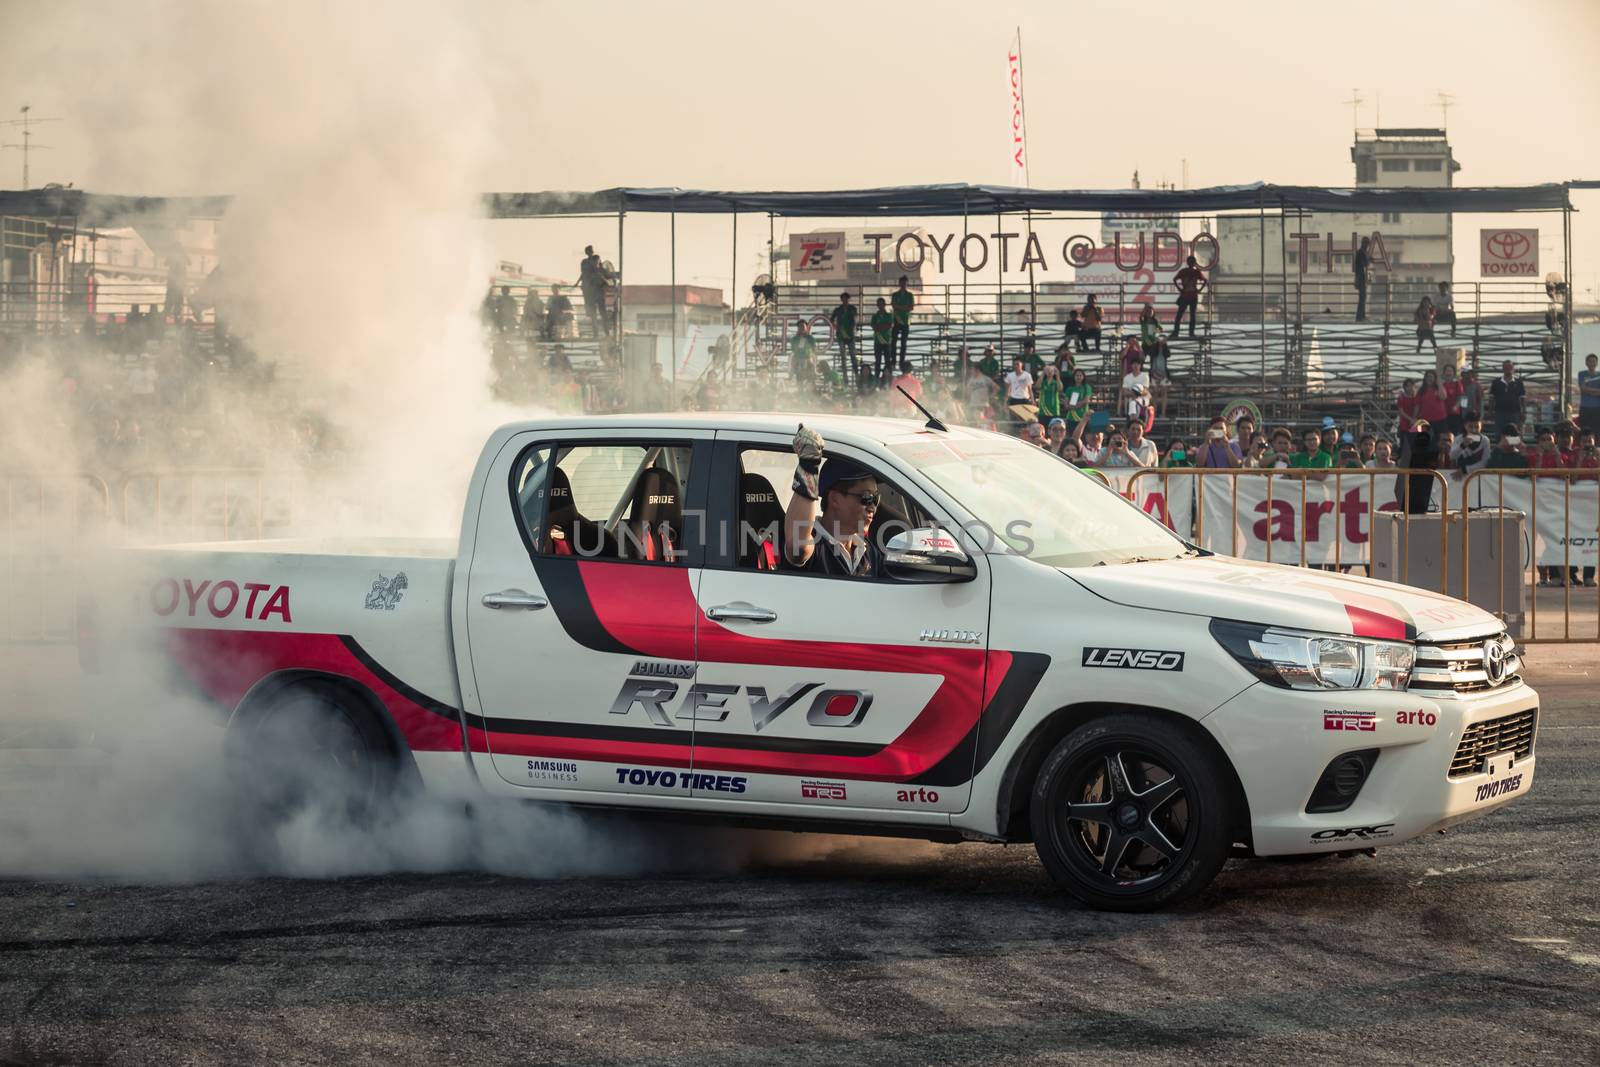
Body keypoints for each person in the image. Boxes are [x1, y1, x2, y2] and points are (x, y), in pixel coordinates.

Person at [783, 425, 881, 578]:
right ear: (835, 499)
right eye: (867, 498)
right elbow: (798, 545)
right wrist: (808, 465)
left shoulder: (868, 550)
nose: (872, 507)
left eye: (875, 499)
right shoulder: (815, 544)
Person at [829, 291, 859, 389]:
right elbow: (831, 319)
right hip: (841, 335)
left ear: (848, 299)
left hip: (850, 335)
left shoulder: (852, 309)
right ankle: (846, 378)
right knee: (843, 357)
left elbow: (854, 320)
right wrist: (835, 327)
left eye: (847, 299)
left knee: (853, 356)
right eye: (843, 299)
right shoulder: (838, 310)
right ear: (841, 300)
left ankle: (857, 376)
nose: (845, 300)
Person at [1172, 255, 1206, 338]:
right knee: (1192, 315)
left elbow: (1175, 279)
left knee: (1179, 315)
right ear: (1194, 263)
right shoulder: (1196, 272)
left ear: (1187, 262)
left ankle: (1176, 333)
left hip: (1184, 295)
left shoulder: (1183, 271)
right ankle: (1191, 333)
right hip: (1193, 296)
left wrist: (1180, 289)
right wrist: (1199, 290)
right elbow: (1205, 281)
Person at [579, 246, 609, 335]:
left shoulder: (596, 259)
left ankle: (605, 332)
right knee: (595, 314)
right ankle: (598, 332)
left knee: (601, 313)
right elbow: (584, 274)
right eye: (589, 251)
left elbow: (601, 269)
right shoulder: (585, 262)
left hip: (597, 290)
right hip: (592, 291)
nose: (590, 253)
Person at [1490, 361, 1526, 429]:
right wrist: (1490, 411)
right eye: (1506, 367)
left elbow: (1522, 399)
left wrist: (1523, 412)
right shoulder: (1496, 382)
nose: (1508, 369)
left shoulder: (1519, 383)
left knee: (1514, 434)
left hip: (1514, 413)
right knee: (1499, 434)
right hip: (1499, 413)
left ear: (1513, 369)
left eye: (1510, 367)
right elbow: (1491, 398)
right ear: (1503, 369)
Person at [1120, 352, 1152, 428]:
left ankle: (1136, 424)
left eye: (1137, 364)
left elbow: (1145, 390)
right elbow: (1124, 391)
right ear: (1131, 366)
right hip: (1131, 400)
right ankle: (1133, 424)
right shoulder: (1127, 377)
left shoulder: (1145, 376)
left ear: (1140, 366)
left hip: (1142, 401)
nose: (1136, 366)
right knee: (1132, 403)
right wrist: (1136, 393)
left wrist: (1134, 393)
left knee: (1134, 403)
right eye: (1134, 364)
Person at [870, 297, 894, 386]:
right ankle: (876, 379)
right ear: (877, 305)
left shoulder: (889, 315)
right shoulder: (874, 316)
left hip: (887, 341)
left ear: (884, 305)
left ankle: (888, 379)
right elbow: (874, 327)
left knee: (888, 362)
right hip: (877, 342)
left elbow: (889, 325)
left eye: (881, 304)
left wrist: (879, 327)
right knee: (878, 361)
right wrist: (882, 327)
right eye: (878, 304)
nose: (880, 306)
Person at [890, 276, 915, 361]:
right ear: (899, 283)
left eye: (905, 283)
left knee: (903, 343)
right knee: (893, 342)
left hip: (905, 321)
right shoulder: (895, 295)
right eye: (902, 283)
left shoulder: (910, 295)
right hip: (896, 320)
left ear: (907, 284)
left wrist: (899, 307)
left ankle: (902, 360)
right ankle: (893, 360)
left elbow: (911, 307)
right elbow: (894, 306)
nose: (903, 284)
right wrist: (905, 307)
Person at [1063, 368, 1093, 438]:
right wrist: (1073, 406)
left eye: (1080, 375)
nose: (1078, 377)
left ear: (1083, 377)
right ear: (1074, 377)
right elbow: (1066, 404)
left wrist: (1073, 406)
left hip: (1083, 418)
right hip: (1071, 418)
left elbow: (1086, 400)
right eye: (1076, 375)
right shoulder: (1069, 389)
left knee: (1083, 438)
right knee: (1071, 438)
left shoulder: (1086, 387)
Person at [789, 319, 817, 390]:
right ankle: (800, 393)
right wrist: (801, 340)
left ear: (806, 327)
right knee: (799, 379)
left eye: (803, 326)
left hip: (808, 359)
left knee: (811, 378)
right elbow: (794, 350)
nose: (802, 328)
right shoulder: (795, 338)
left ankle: (810, 393)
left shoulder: (810, 338)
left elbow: (814, 349)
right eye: (800, 327)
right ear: (798, 328)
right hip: (799, 360)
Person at [1577, 353, 1600, 436]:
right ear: (1586, 363)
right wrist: (1597, 391)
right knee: (1584, 431)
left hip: (1597, 408)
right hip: (1585, 408)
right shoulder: (1582, 374)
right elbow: (1583, 389)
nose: (1592, 363)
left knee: (1597, 432)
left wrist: (1588, 391)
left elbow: (1586, 390)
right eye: (1590, 361)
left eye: (1594, 361)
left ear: (1597, 363)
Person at [1354, 236, 1371, 321]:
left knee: (1363, 297)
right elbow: (1364, 264)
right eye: (1366, 243)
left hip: (1362, 277)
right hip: (1361, 278)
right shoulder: (1361, 253)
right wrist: (1368, 260)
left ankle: (1362, 315)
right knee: (1362, 297)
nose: (1367, 245)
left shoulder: (1363, 252)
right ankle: (1359, 316)